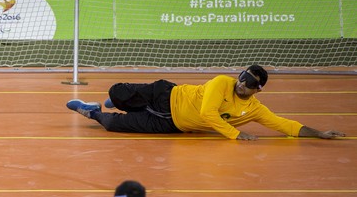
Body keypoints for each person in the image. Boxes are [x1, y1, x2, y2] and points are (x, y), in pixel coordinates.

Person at [67, 65, 345, 141]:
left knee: (114, 125)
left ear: (256, 90)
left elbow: (284, 124)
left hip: (172, 125)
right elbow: (207, 113)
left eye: (248, 83)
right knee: (117, 92)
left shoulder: (254, 109)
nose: (241, 83)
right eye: (242, 76)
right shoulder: (221, 82)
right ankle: (112, 100)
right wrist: (236, 134)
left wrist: (319, 133)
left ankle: (92, 112)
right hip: (166, 96)